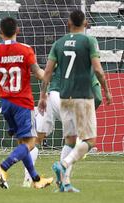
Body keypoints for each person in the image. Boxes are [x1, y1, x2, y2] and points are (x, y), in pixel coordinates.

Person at [38, 10, 112, 192]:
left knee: (70, 141)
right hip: (83, 96)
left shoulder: (59, 43)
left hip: (64, 97)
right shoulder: (89, 41)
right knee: (91, 140)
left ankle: (64, 182)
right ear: (85, 23)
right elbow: (98, 70)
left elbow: (47, 72)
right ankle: (64, 164)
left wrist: (42, 96)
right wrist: (107, 91)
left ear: (68, 22)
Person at [0, 17, 53, 189]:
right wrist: (48, 78)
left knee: (22, 143)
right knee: (30, 143)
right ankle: (3, 167)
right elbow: (38, 73)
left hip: (5, 104)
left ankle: (36, 179)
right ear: (17, 31)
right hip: (23, 103)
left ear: (0, 33)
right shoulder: (25, 50)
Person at [22, 66, 103, 188]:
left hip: (50, 95)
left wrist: (43, 95)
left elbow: (47, 72)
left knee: (35, 139)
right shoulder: (88, 64)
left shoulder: (60, 50)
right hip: (67, 100)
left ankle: (27, 180)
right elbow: (98, 97)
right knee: (73, 140)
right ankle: (62, 180)